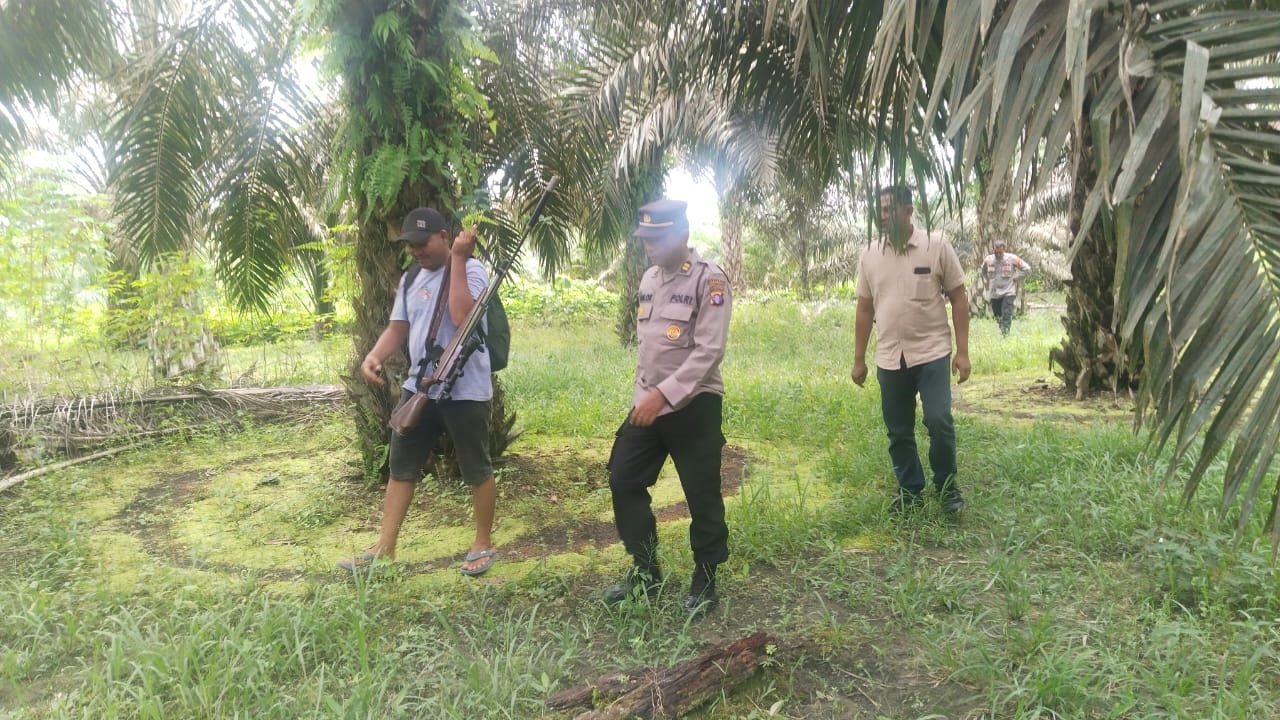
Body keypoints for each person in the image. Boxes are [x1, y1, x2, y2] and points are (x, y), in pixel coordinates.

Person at [338, 207, 498, 577]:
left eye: (422, 243)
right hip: (420, 385)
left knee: (476, 466)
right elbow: (398, 327)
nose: (416, 251)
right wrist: (375, 355)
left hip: (465, 388)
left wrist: (459, 259)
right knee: (401, 465)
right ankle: (385, 548)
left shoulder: (471, 270)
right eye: (410, 245)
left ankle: (482, 542)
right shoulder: (411, 278)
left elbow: (462, 318)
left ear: (444, 236)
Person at [603, 198, 732, 619]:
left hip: (694, 405)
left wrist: (664, 395)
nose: (649, 246)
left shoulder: (709, 280)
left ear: (682, 233)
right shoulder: (649, 279)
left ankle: (706, 578)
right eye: (645, 239)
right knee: (623, 478)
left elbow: (708, 351)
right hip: (647, 403)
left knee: (701, 494)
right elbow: (649, 351)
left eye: (657, 238)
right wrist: (644, 397)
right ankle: (647, 571)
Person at [851, 185, 970, 515]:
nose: (884, 216)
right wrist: (858, 359)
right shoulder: (870, 254)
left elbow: (959, 299)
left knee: (939, 419)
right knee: (899, 429)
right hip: (890, 356)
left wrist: (962, 352)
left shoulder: (936, 245)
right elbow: (864, 308)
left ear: (909, 211)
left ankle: (948, 489)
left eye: (891, 209)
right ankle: (910, 491)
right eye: (881, 210)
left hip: (932, 351)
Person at [981, 239, 1031, 336]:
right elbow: (983, 271)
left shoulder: (1012, 258)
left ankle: (1005, 334)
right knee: (997, 315)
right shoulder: (988, 260)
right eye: (996, 252)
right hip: (994, 294)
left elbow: (1027, 269)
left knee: (1006, 313)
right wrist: (988, 281)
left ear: (1004, 250)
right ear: (993, 249)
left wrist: (1016, 277)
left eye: (1000, 252)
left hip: (1008, 292)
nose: (998, 255)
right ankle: (1002, 329)